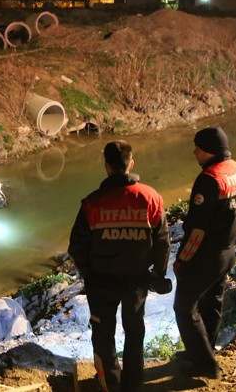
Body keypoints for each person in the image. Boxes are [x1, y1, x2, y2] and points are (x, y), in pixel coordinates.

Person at [68, 141, 170, 392]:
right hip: (136, 281)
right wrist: (158, 273)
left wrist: (88, 273)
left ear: (107, 166)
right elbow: (163, 241)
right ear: (130, 164)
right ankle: (133, 385)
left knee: (103, 336)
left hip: (101, 282)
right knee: (135, 333)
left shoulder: (92, 203)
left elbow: (76, 246)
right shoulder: (151, 198)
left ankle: (109, 385)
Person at [173, 127, 236, 379]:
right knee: (212, 302)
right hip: (229, 250)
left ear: (208, 150)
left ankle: (206, 365)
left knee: (184, 307)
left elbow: (197, 229)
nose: (194, 151)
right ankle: (204, 352)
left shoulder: (210, 178)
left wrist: (182, 259)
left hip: (207, 254)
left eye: (197, 146)